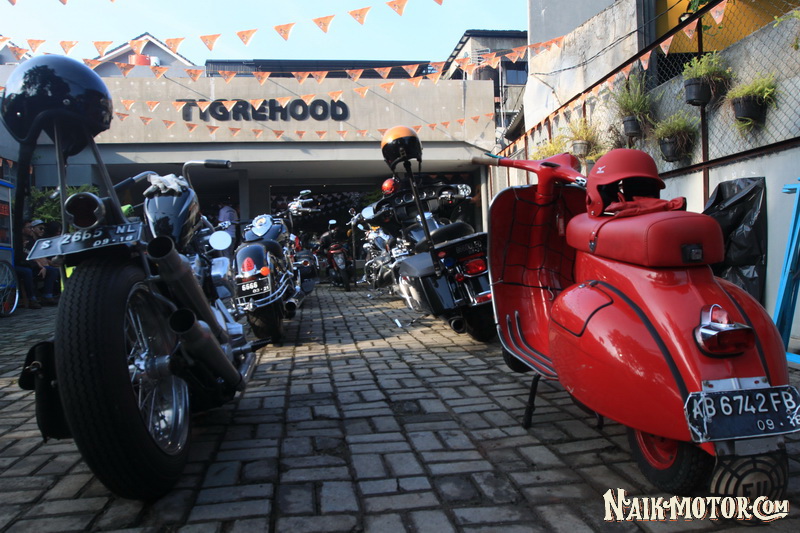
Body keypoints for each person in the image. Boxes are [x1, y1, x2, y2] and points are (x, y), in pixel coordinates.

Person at [16, 219, 60, 307]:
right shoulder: (17, 241)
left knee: (53, 270)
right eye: (29, 227)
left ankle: (47, 296)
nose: (31, 229)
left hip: (31, 265)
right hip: (20, 265)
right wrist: (41, 265)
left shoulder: (33, 241)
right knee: (27, 271)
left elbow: (33, 257)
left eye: (43, 229)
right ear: (22, 229)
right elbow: (23, 257)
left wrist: (41, 266)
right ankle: (32, 299)